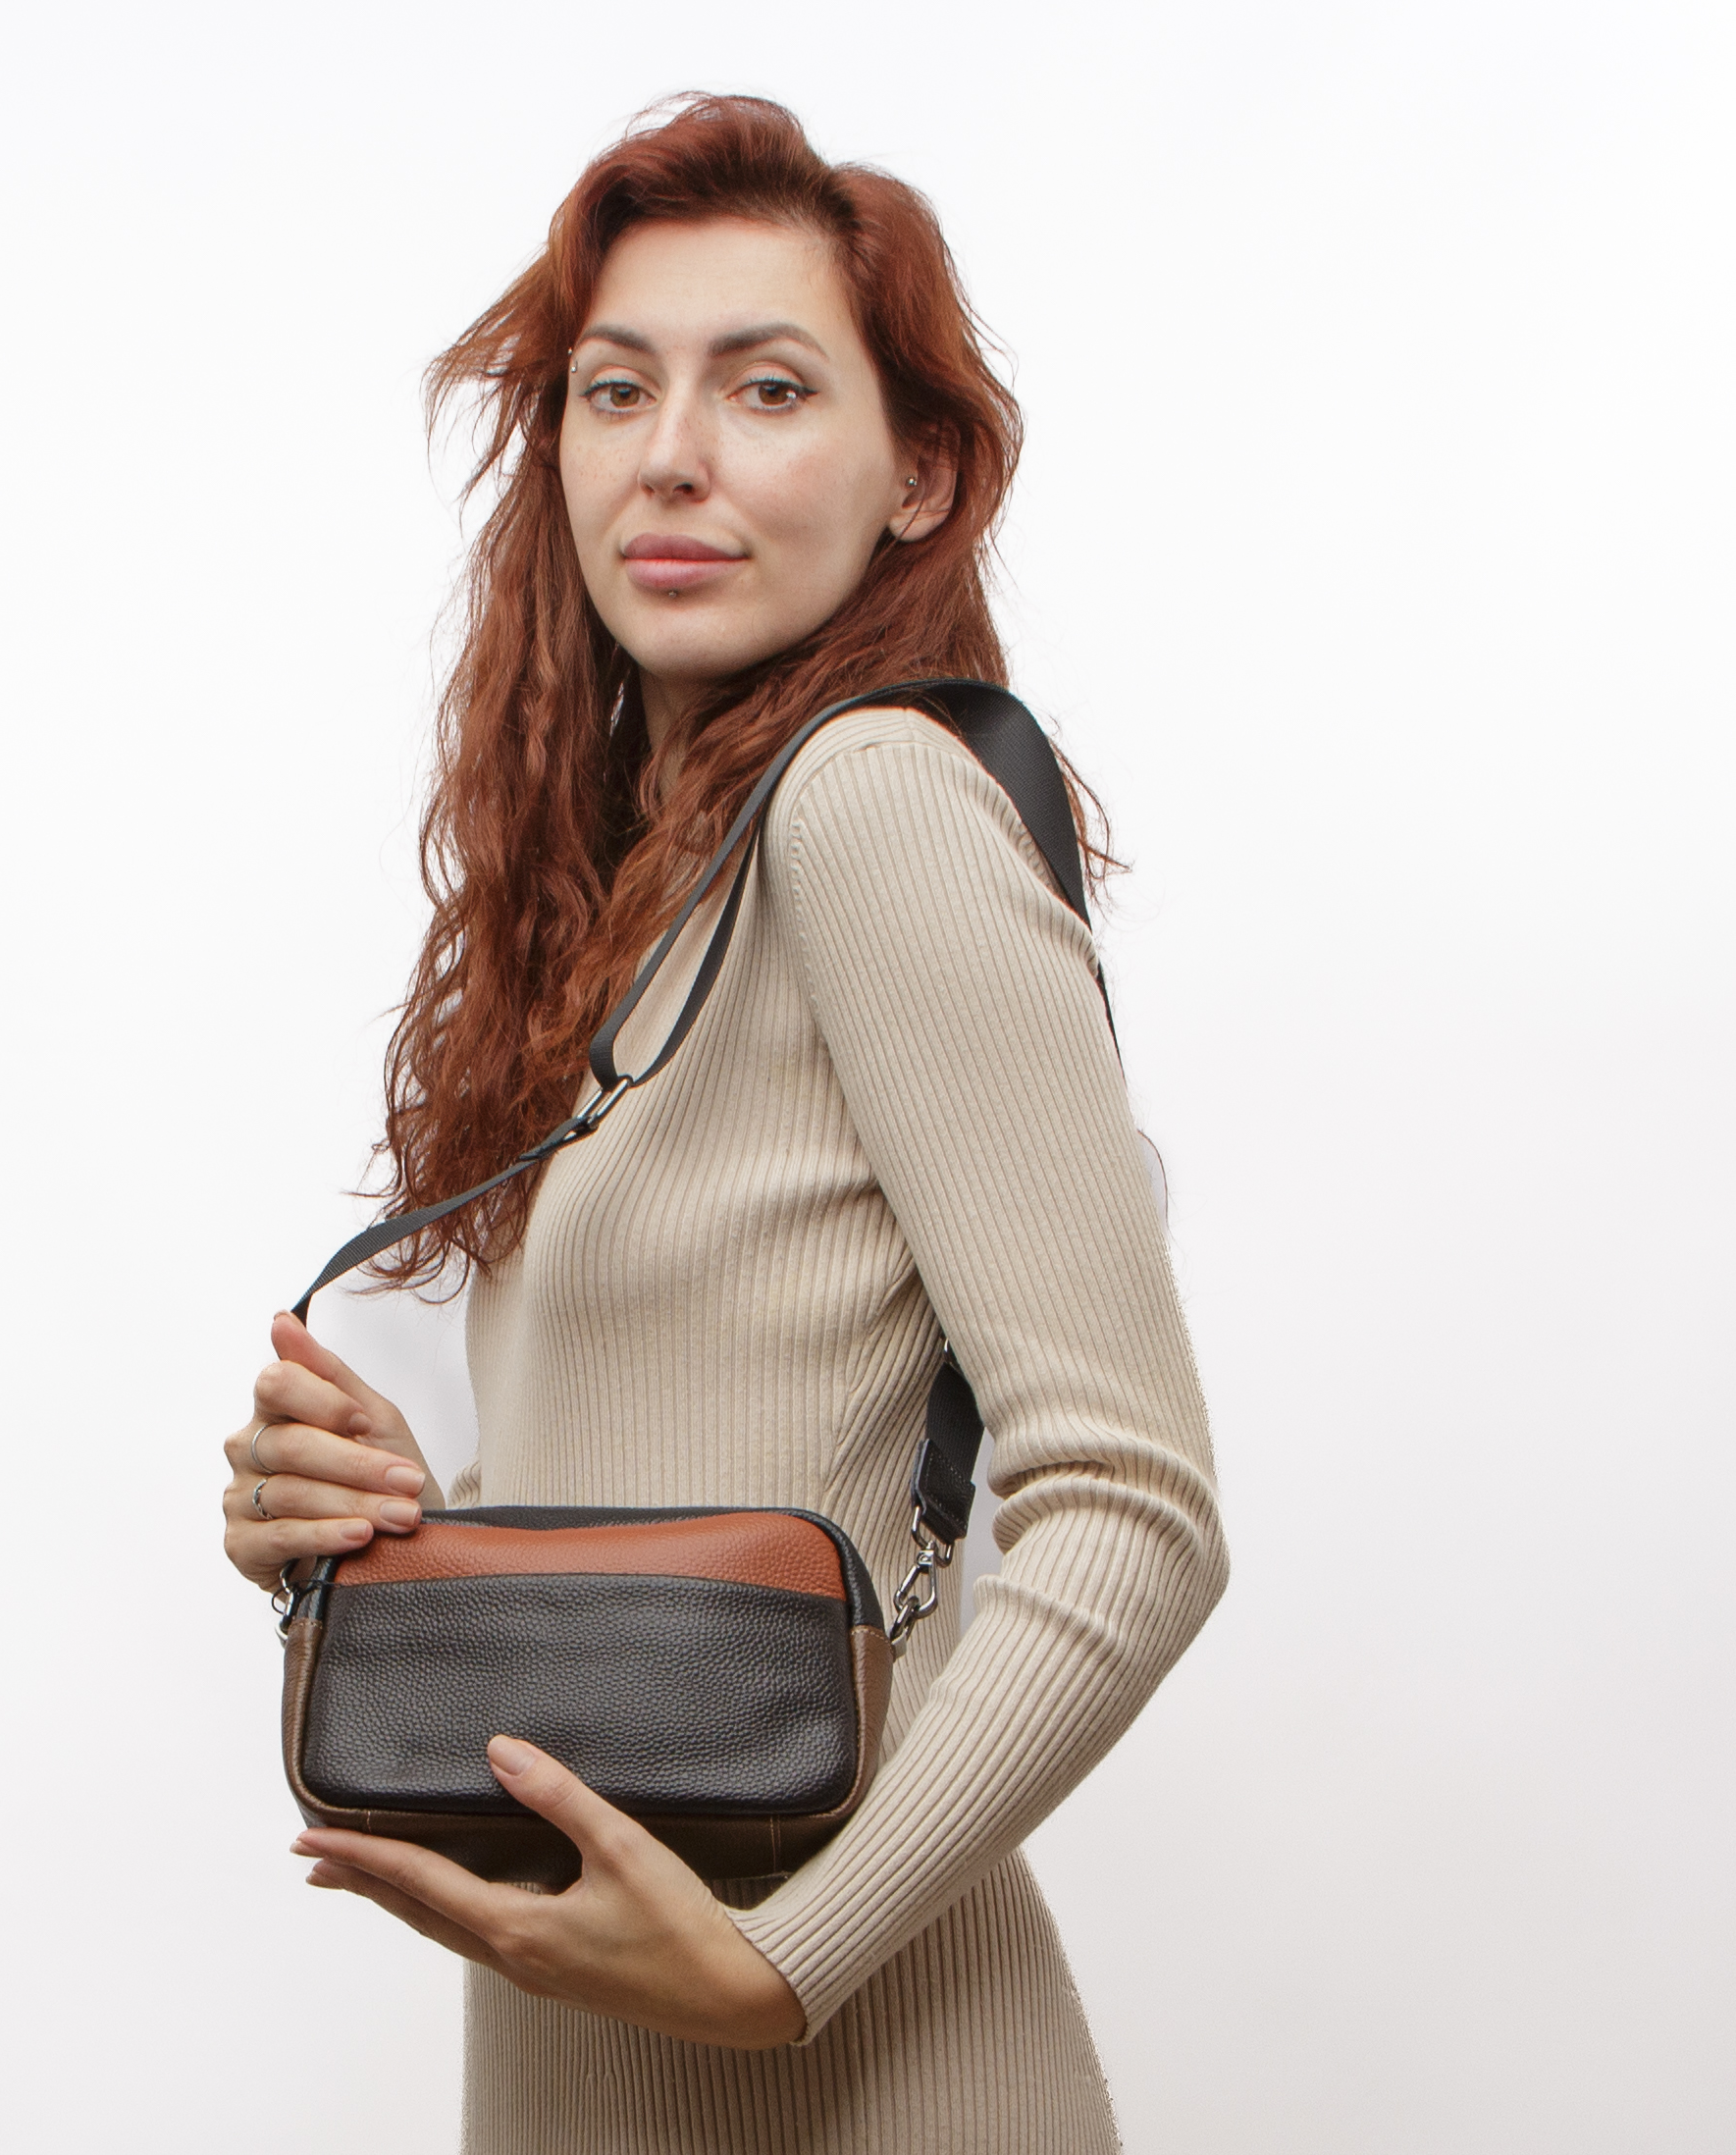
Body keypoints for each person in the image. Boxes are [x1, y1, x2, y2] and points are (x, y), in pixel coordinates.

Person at [220, 94, 1227, 2155]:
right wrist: (373, 1527)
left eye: (767, 388)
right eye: (616, 390)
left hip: (862, 2076)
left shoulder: (867, 802)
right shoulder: (646, 896)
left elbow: (1136, 1502)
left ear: (917, 472)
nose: (670, 454)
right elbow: (722, 1491)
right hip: (593, 2069)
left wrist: (785, 1959)